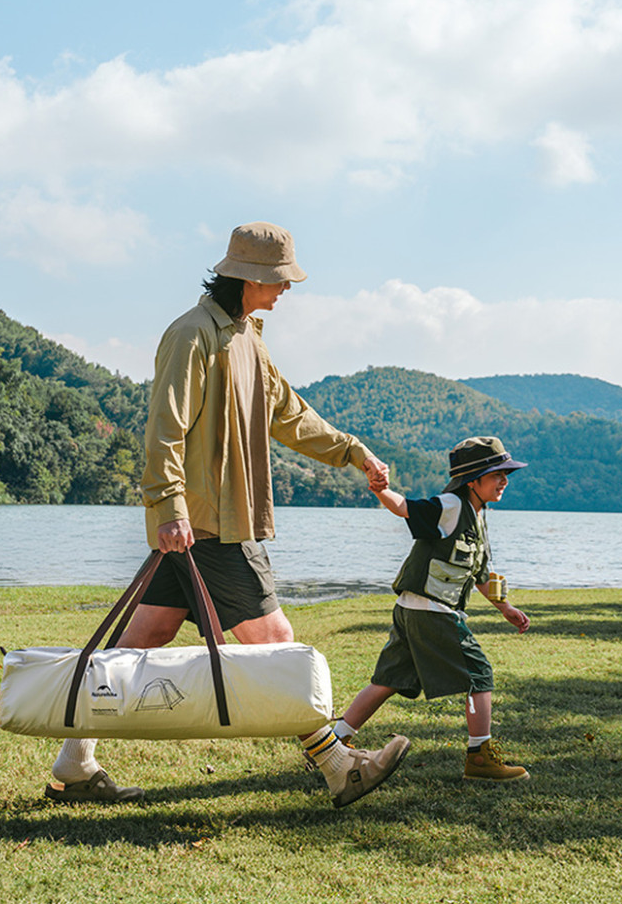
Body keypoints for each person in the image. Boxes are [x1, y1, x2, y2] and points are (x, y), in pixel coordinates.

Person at [45, 221, 409, 807]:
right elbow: (164, 427)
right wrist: (167, 505)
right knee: (274, 641)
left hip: (198, 528)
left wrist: (351, 450)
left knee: (143, 640)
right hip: (209, 527)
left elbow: (289, 413)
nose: (287, 289)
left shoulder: (247, 338)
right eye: (280, 279)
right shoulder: (192, 336)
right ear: (251, 276)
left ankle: (75, 765)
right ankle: (341, 766)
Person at [333, 436, 532, 782]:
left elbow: (480, 573)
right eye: (497, 473)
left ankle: (331, 743)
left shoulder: (478, 514)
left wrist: (506, 608)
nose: (504, 481)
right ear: (473, 480)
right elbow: (404, 508)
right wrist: (380, 488)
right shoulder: (451, 505)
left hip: (412, 608)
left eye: (506, 474)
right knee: (479, 674)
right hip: (432, 612)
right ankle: (480, 758)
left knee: (389, 680)